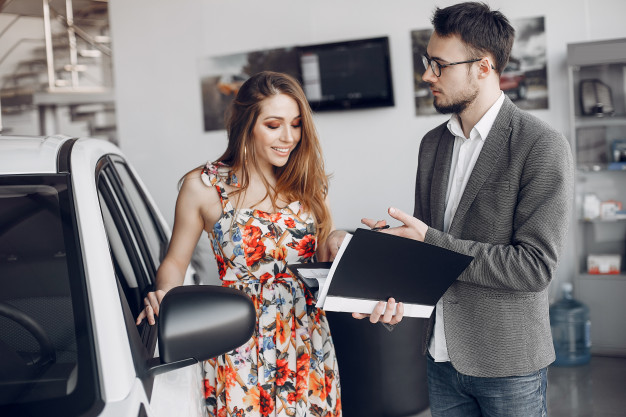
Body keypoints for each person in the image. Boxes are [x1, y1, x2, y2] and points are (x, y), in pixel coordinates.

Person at [357, 2, 574, 416]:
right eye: (427, 63)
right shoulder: (432, 145)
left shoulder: (541, 145)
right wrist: (392, 253)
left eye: (439, 65)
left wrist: (430, 241)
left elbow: (533, 268)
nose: (426, 76)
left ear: (484, 67)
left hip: (508, 364)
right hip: (440, 356)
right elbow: (426, 253)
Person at [136, 71, 343, 417]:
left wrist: (340, 242)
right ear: (246, 124)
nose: (288, 137)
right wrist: (166, 298)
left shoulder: (308, 182)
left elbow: (322, 257)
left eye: (296, 125)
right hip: (236, 340)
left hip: (307, 341)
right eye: (274, 125)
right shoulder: (203, 186)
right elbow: (174, 262)